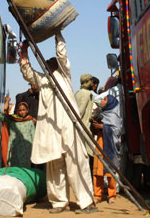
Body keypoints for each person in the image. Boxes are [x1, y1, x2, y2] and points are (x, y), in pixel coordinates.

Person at [19, 33, 97, 214]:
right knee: (54, 168)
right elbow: (27, 72)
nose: (49, 63)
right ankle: (59, 202)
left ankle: (86, 202)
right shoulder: (42, 80)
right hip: (51, 131)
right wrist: (24, 53)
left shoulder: (64, 76)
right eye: (47, 62)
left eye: (51, 62)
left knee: (77, 164)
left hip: (69, 127)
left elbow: (62, 55)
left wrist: (57, 34)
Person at [91, 95, 122, 204]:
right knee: (97, 170)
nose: (102, 101)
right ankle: (97, 195)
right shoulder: (101, 114)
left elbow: (117, 131)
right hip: (100, 143)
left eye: (105, 100)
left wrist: (103, 127)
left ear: (110, 104)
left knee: (110, 172)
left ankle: (112, 195)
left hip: (110, 147)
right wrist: (95, 126)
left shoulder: (114, 116)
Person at [0, 96, 36, 168]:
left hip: (27, 148)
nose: (22, 112)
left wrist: (34, 148)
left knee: (25, 166)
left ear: (27, 110)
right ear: (17, 111)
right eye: (20, 110)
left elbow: (33, 135)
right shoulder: (13, 119)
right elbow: (1, 116)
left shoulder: (30, 121)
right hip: (15, 146)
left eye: (24, 110)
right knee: (14, 165)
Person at [75, 74, 96, 162]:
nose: (92, 83)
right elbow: (80, 112)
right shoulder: (86, 94)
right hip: (84, 127)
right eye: (91, 81)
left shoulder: (77, 92)